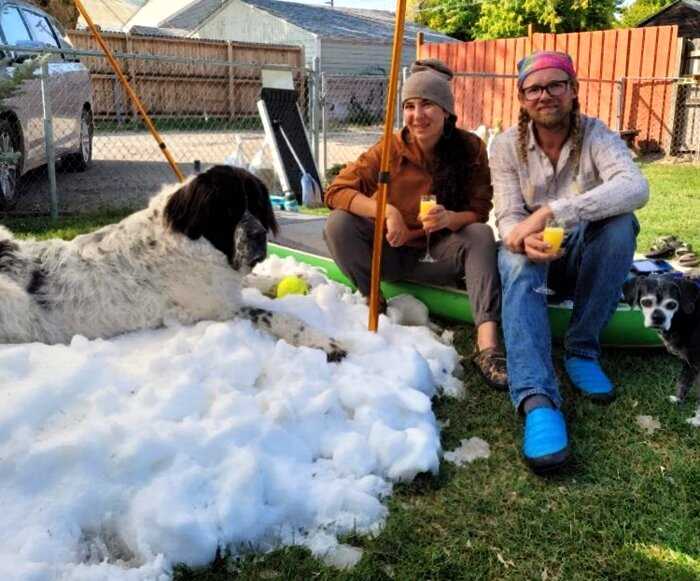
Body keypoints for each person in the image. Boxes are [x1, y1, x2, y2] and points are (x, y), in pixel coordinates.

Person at [489, 51, 649, 473]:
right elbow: (507, 215)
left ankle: (581, 351)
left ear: (573, 90)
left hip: (580, 257)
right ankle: (537, 398)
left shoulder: (596, 135)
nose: (545, 95)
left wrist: (553, 213)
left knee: (620, 224)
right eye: (534, 88)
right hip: (533, 253)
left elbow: (635, 186)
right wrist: (521, 239)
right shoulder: (505, 145)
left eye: (555, 84)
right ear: (522, 97)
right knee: (515, 260)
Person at [324, 59, 507, 389]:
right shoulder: (389, 149)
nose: (417, 115)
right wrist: (386, 211)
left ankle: (488, 345)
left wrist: (451, 218)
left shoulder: (470, 148)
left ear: (446, 112)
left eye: (427, 105)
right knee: (338, 224)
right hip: (389, 254)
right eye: (409, 106)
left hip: (438, 256)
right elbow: (336, 190)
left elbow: (479, 210)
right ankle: (372, 299)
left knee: (480, 234)